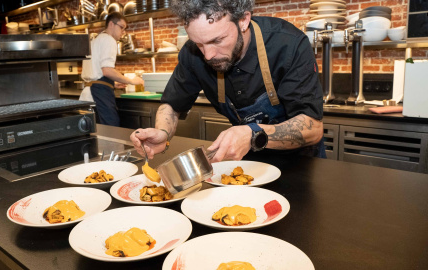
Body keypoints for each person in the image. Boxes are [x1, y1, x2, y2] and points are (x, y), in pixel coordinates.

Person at [130, 0, 325, 162]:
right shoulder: (192, 54)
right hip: (247, 164)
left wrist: (252, 134)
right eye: (199, 44)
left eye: (217, 40)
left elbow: (313, 128)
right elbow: (172, 104)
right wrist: (163, 132)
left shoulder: (288, 44)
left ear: (243, 20)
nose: (208, 55)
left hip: (302, 165)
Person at [81, 12, 144, 126]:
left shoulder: (95, 40)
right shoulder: (109, 40)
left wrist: (112, 84)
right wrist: (131, 81)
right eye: (121, 27)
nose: (123, 32)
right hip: (98, 94)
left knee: (96, 133)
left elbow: (96, 73)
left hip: (88, 94)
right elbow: (107, 70)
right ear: (111, 24)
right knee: (111, 131)